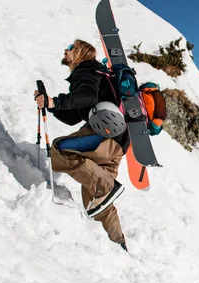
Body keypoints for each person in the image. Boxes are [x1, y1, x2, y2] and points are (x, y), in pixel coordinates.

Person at [34, 39, 129, 251]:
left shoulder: (87, 70)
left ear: (80, 53)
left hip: (105, 137)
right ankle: (118, 244)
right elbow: (73, 117)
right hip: (117, 143)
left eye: (70, 48)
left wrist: (55, 101)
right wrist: (51, 104)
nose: (65, 50)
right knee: (95, 200)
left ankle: (107, 186)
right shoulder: (98, 74)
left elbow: (86, 96)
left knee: (60, 150)